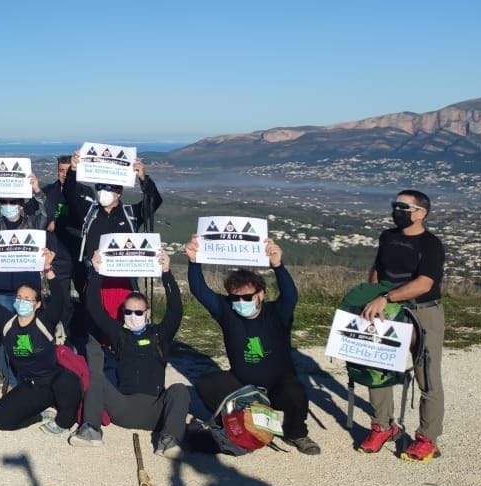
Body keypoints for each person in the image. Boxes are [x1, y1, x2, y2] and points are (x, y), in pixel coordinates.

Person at [186, 236, 320, 455]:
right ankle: (237, 420)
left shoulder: (277, 313)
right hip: (243, 386)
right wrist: (194, 262)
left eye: (247, 297)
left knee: (295, 392)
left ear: (261, 294)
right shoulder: (227, 311)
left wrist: (278, 266)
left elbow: (290, 295)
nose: (241, 303)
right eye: (235, 298)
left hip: (278, 384)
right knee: (206, 384)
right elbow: (200, 290)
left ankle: (296, 434)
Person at [69, 249, 189, 455]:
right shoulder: (119, 334)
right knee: (96, 378)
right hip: (123, 408)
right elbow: (94, 307)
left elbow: (175, 310)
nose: (133, 316)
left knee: (180, 389)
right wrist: (97, 273)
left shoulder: (160, 334)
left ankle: (168, 440)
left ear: (147, 313)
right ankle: (90, 430)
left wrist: (166, 273)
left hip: (154, 411)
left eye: (138, 312)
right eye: (128, 312)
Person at [357, 189, 446, 461]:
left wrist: (385, 297)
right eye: (394, 205)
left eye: (403, 207)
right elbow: (377, 268)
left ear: (421, 213)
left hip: (422, 312)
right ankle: (383, 426)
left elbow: (424, 283)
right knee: (378, 368)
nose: (396, 211)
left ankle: (427, 438)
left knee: (427, 376)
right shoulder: (388, 236)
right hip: (387, 312)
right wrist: (371, 296)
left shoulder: (431, 244)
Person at [0, 170, 57, 385]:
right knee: (5, 338)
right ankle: (11, 381)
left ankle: (30, 380)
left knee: (29, 338)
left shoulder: (32, 223)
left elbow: (48, 213)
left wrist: (37, 191)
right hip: (0, 290)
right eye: (4, 201)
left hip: (27, 291)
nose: (7, 204)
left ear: (21, 203)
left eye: (12, 201)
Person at [0, 261, 80, 434]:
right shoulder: (6, 321)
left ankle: (64, 422)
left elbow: (59, 299)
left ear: (37, 304)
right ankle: (42, 415)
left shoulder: (44, 322)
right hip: (32, 386)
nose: (21, 301)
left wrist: (48, 270)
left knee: (69, 380)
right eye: (19, 297)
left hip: (55, 381)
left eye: (27, 299)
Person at [61, 151, 162, 329]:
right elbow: (69, 195)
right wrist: (74, 170)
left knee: (123, 324)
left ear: (119, 191)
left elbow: (153, 201)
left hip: (123, 282)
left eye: (108, 188)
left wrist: (143, 178)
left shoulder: (131, 214)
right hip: (93, 279)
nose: (102, 192)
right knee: (94, 327)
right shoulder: (89, 212)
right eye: (99, 187)